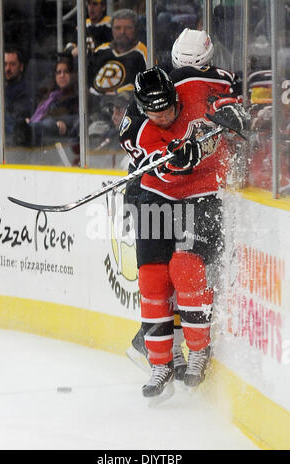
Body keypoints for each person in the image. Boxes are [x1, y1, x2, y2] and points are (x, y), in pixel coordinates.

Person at [119, 45, 248, 398]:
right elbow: (153, 157)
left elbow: (224, 123)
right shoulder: (141, 129)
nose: (163, 117)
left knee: (186, 268)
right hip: (157, 196)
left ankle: (197, 351)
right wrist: (171, 158)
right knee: (152, 277)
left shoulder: (195, 94)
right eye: (154, 113)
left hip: (199, 196)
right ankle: (161, 361)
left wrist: (201, 146)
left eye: (168, 109)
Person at [14, 57, 79, 147]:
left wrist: (62, 122)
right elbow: (35, 112)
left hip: (55, 127)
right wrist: (28, 118)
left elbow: (76, 119)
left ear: (72, 75)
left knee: (49, 123)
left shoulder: (76, 96)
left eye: (66, 72)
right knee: (3, 117)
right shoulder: (49, 95)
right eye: (58, 72)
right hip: (36, 123)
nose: (62, 75)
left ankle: (28, 131)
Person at [88, 9, 147, 96]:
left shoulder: (144, 53)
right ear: (112, 29)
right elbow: (87, 82)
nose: (122, 32)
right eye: (117, 28)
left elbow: (146, 87)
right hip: (95, 103)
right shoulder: (100, 51)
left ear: (136, 29)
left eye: (128, 28)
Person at [0, 48, 34, 145]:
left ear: (21, 67)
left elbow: (18, 115)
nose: (8, 68)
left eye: (12, 64)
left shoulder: (26, 89)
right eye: (5, 64)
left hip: (12, 138)